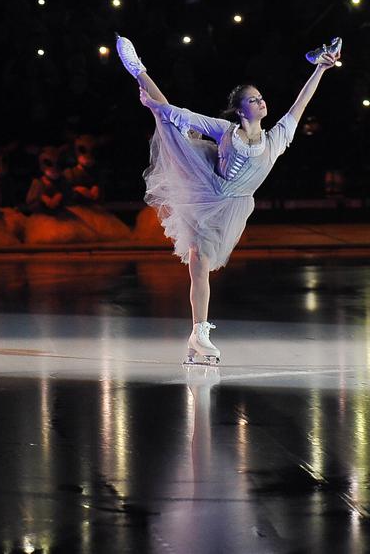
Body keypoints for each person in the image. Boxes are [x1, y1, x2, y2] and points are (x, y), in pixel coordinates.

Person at [115, 33, 341, 364]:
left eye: (261, 97)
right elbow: (187, 116)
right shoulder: (226, 130)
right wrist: (156, 107)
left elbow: (300, 103)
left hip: (235, 205)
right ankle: (139, 70)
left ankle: (197, 336)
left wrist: (320, 69)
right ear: (239, 110)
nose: (262, 102)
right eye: (253, 99)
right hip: (207, 191)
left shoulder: (275, 139)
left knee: (201, 265)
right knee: (176, 130)